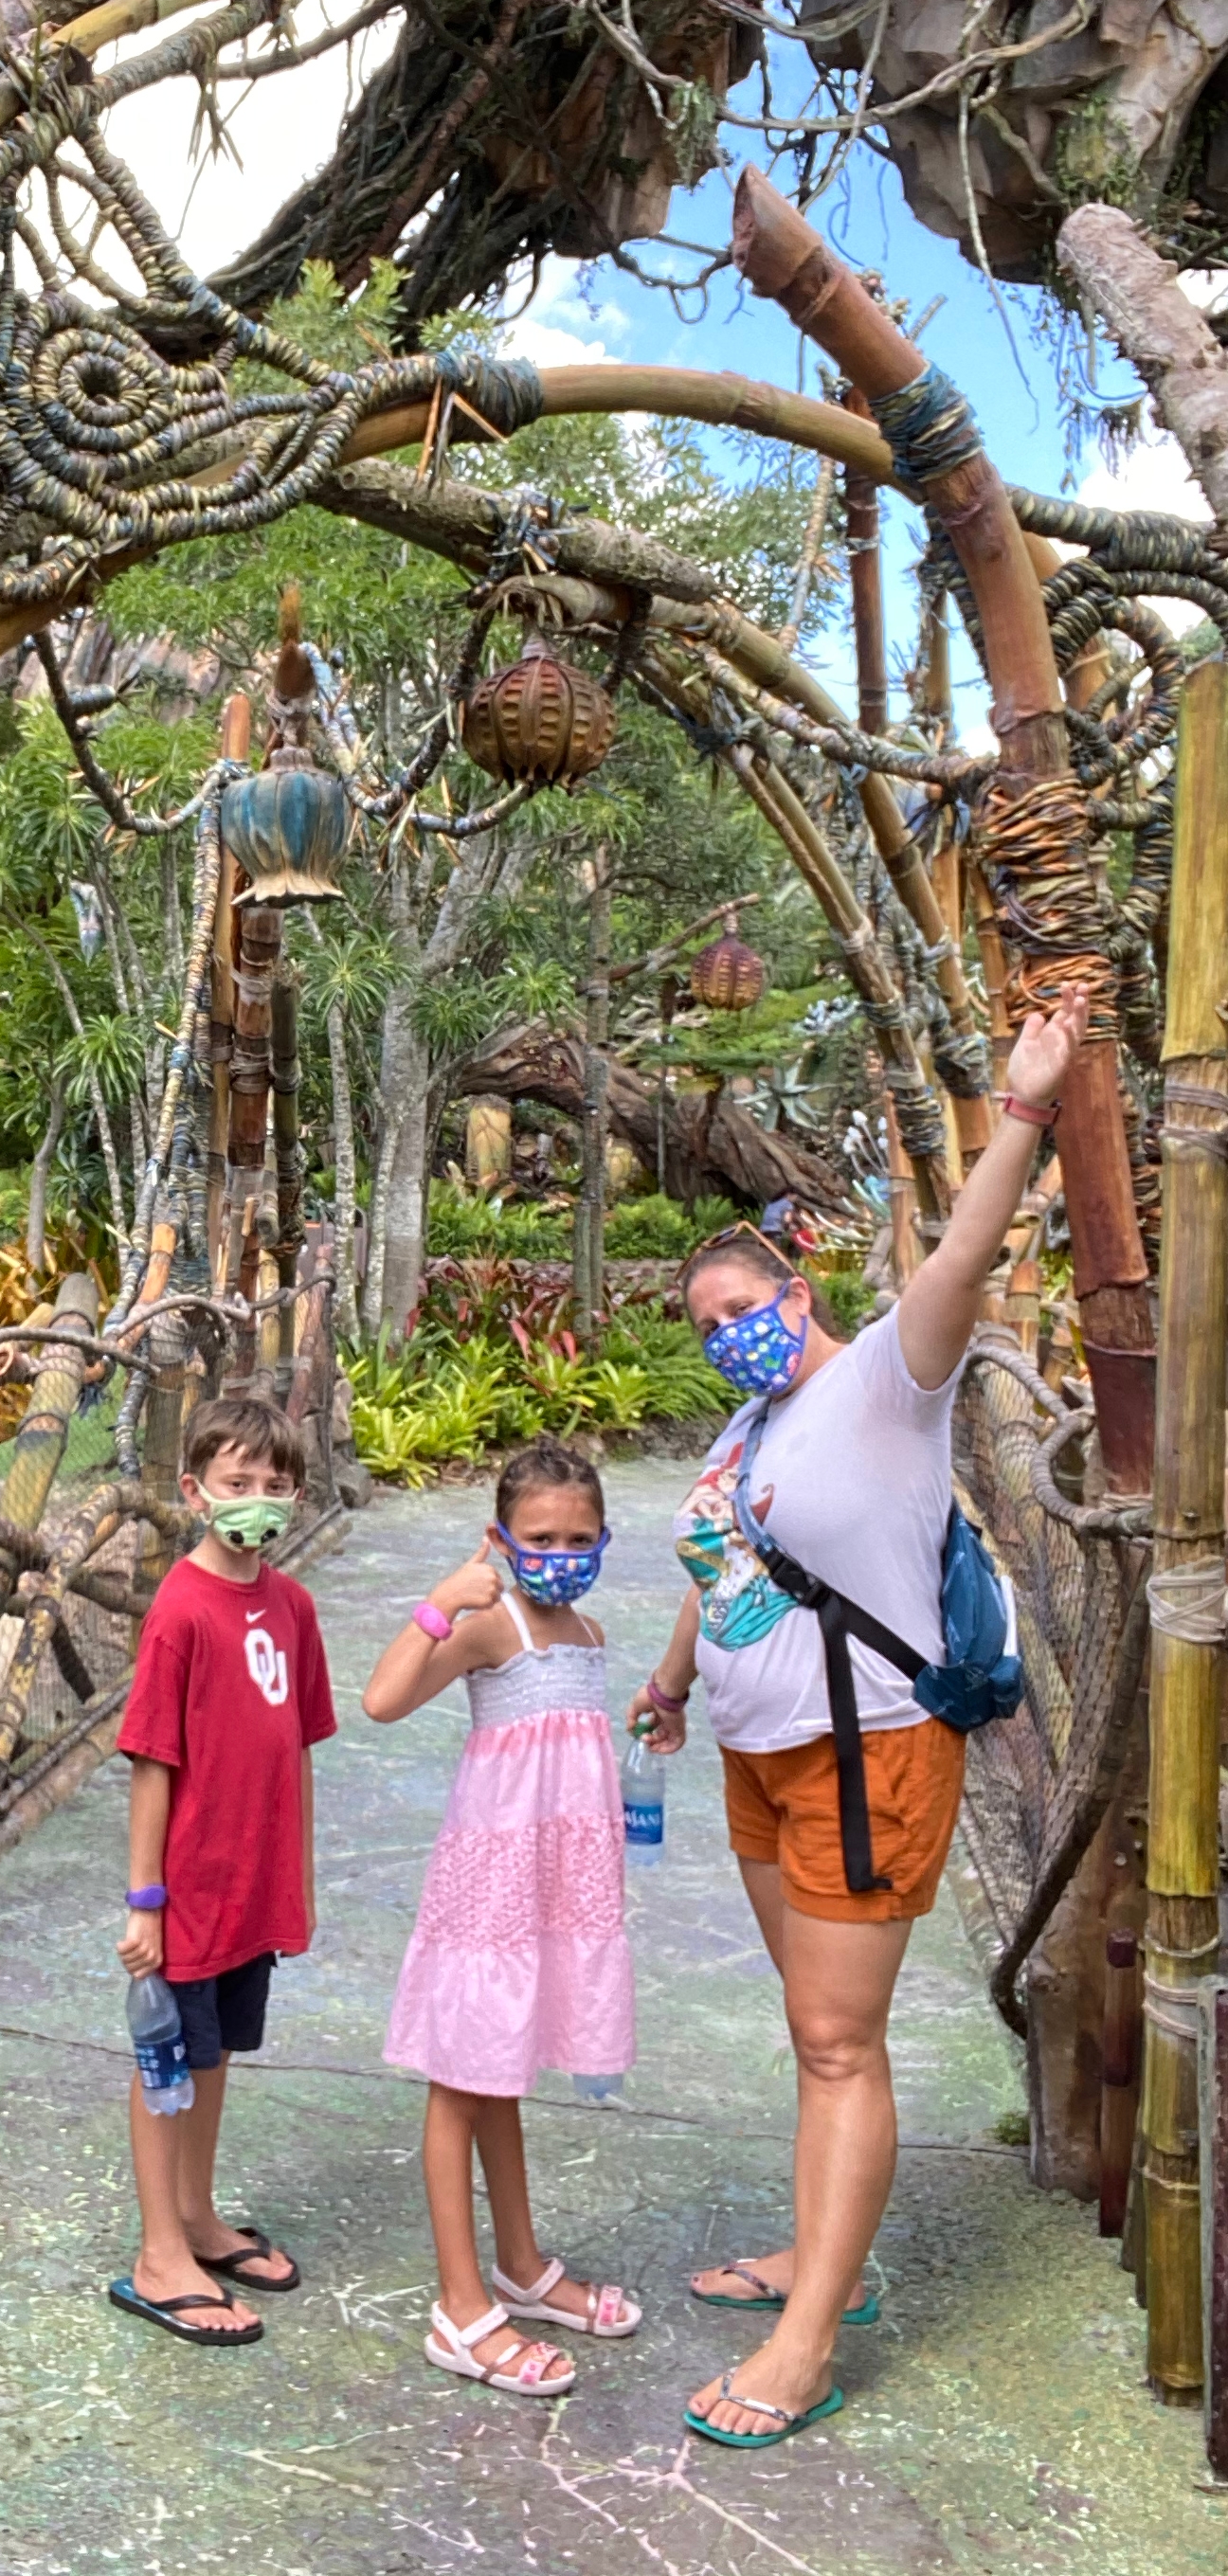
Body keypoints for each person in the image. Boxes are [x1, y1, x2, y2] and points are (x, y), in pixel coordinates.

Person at [628, 984, 1090, 2452]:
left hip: (865, 1751)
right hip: (760, 1758)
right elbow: (721, 1561)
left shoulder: (890, 1381)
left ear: (797, 1295)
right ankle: (818, 2255)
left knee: (839, 2041)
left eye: (741, 1310)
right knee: (818, 2030)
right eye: (706, 1325)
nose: (728, 1336)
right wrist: (672, 1680)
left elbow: (963, 1251)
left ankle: (809, 2340)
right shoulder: (749, 1424)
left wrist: (1026, 1104)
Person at [365, 1438, 641, 2398]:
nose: (561, 1554)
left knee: (503, 2073)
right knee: (460, 2081)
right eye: (540, 1538)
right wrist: (442, 1601)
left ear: (604, 1538)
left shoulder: (590, 1634)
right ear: (501, 1538)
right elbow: (383, 1699)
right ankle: (460, 2303)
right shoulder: (495, 1625)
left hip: (554, 1894)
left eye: (578, 1537)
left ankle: (521, 2265)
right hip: (489, 1895)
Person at [110, 1394, 335, 2346]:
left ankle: (198, 2216)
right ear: (196, 1490)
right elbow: (152, 1760)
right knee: (167, 2057)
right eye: (239, 1482)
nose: (258, 1499)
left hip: (254, 1886)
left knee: (217, 2053)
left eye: (275, 1484)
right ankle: (159, 2252)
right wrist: (146, 1900)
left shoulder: (293, 1607)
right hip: (189, 1891)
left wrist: (297, 1880)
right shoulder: (180, 1610)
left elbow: (299, 1747)